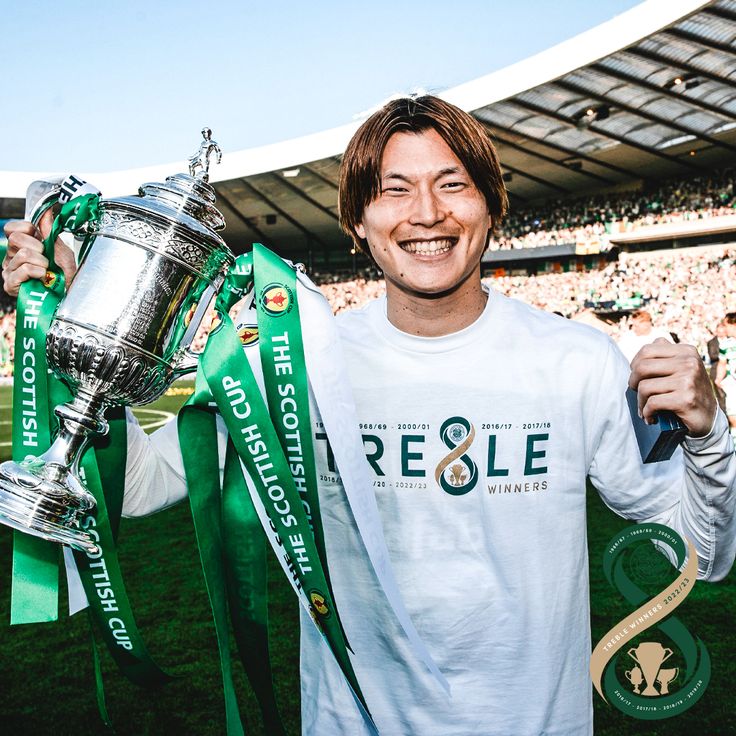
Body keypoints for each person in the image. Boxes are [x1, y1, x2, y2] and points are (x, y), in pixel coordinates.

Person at [3, 96, 736, 736]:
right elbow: (136, 489)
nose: (427, 214)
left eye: (454, 184)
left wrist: (710, 439)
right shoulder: (284, 364)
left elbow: (702, 555)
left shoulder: (578, 360)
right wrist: (71, 325)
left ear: (491, 204)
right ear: (358, 220)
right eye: (395, 191)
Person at [715, 312, 736, 438]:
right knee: (733, 417)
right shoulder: (725, 344)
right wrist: (718, 379)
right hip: (733, 383)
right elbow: (722, 363)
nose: (724, 328)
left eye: (726, 325)